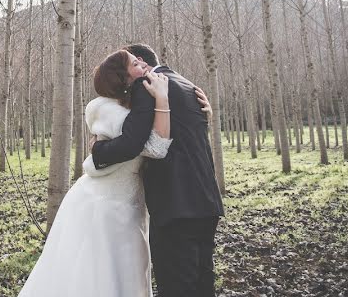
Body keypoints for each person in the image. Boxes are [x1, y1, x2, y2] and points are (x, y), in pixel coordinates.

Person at [18, 49, 211, 297]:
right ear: (123, 77)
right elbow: (151, 146)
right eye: (134, 63)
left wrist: (204, 113)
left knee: (128, 275)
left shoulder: (139, 104)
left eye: (139, 60)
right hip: (104, 204)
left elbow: (168, 133)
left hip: (131, 205)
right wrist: (99, 151)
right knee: (99, 276)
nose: (142, 64)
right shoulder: (104, 108)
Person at [91, 43, 224, 297]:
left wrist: (98, 150)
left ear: (140, 61)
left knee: (176, 285)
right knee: (203, 282)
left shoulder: (147, 86)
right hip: (207, 200)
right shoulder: (188, 85)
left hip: (175, 204)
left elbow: (134, 143)